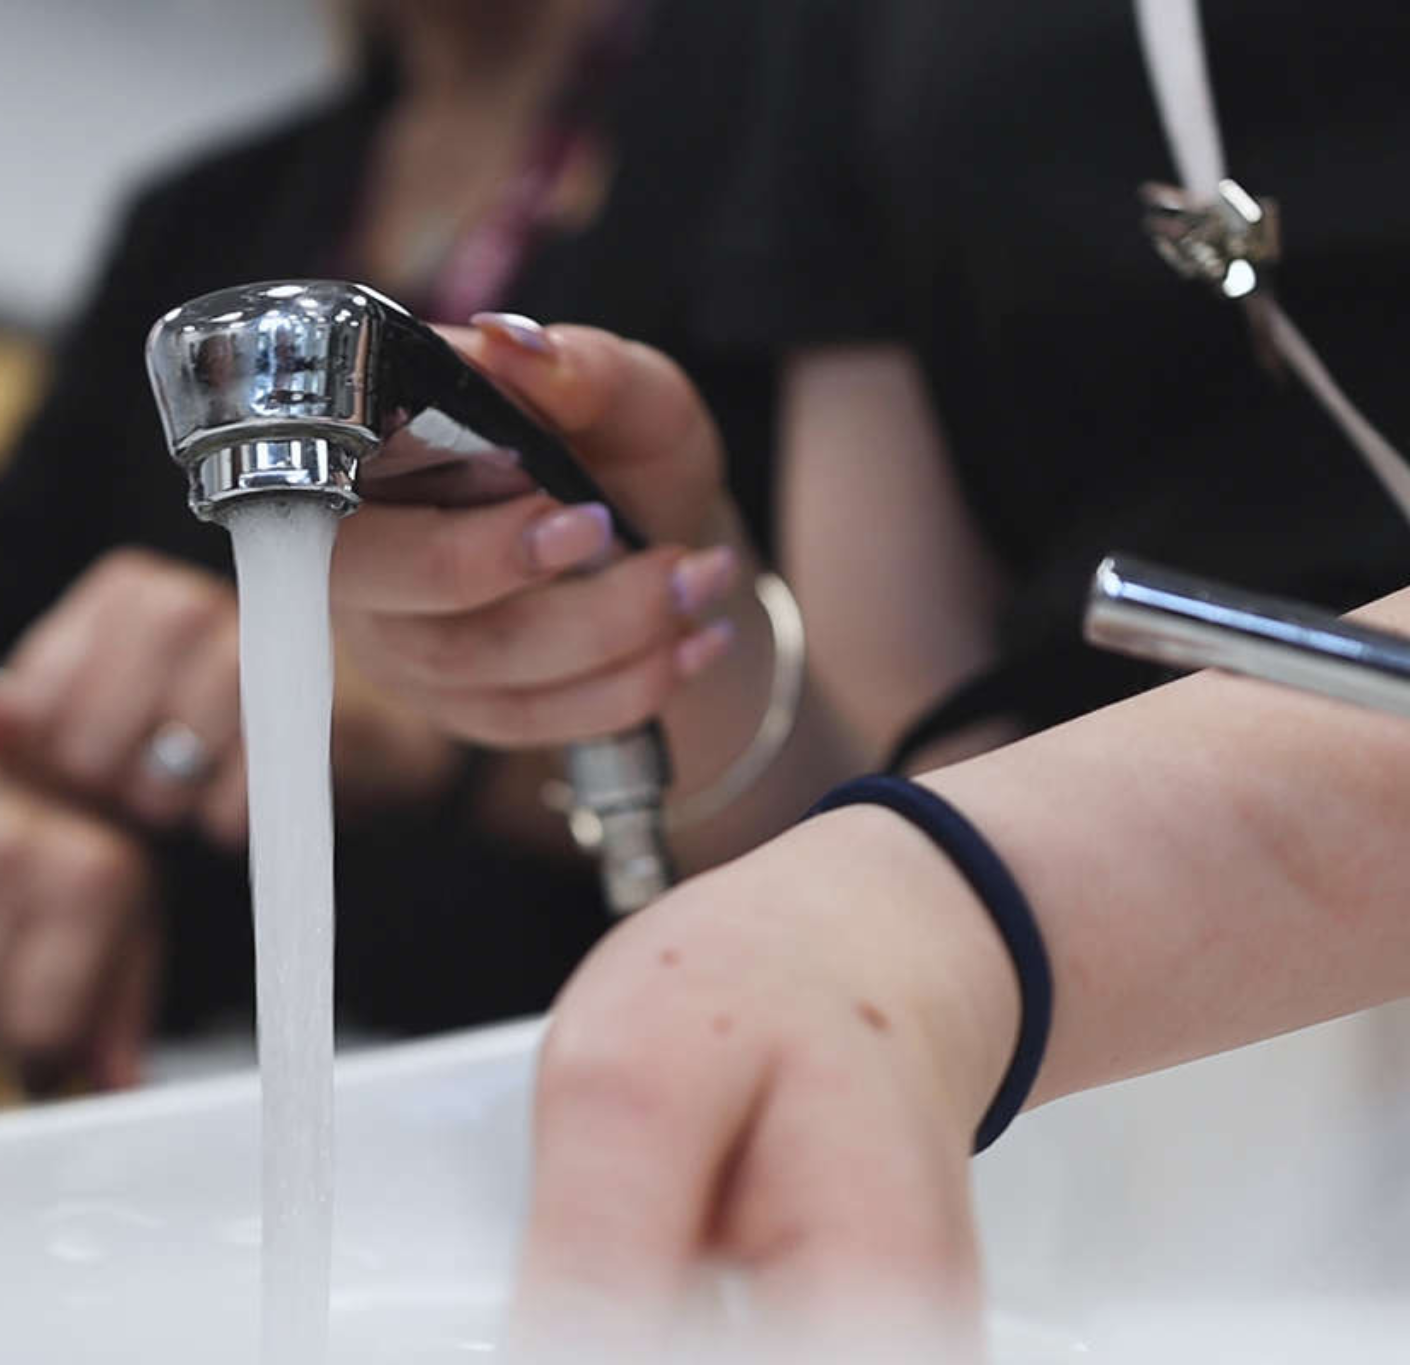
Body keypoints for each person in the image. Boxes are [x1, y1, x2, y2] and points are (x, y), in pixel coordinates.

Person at [321, 0, 1410, 1350]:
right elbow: (919, 754)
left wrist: (956, 894)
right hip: (1133, 1159)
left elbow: (946, 858)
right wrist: (667, 628)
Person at [0, 0, 778, 1088]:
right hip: (171, 1115)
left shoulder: (777, 108)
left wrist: (421, 712)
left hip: (602, 1079)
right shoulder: (203, 219)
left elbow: (881, 726)